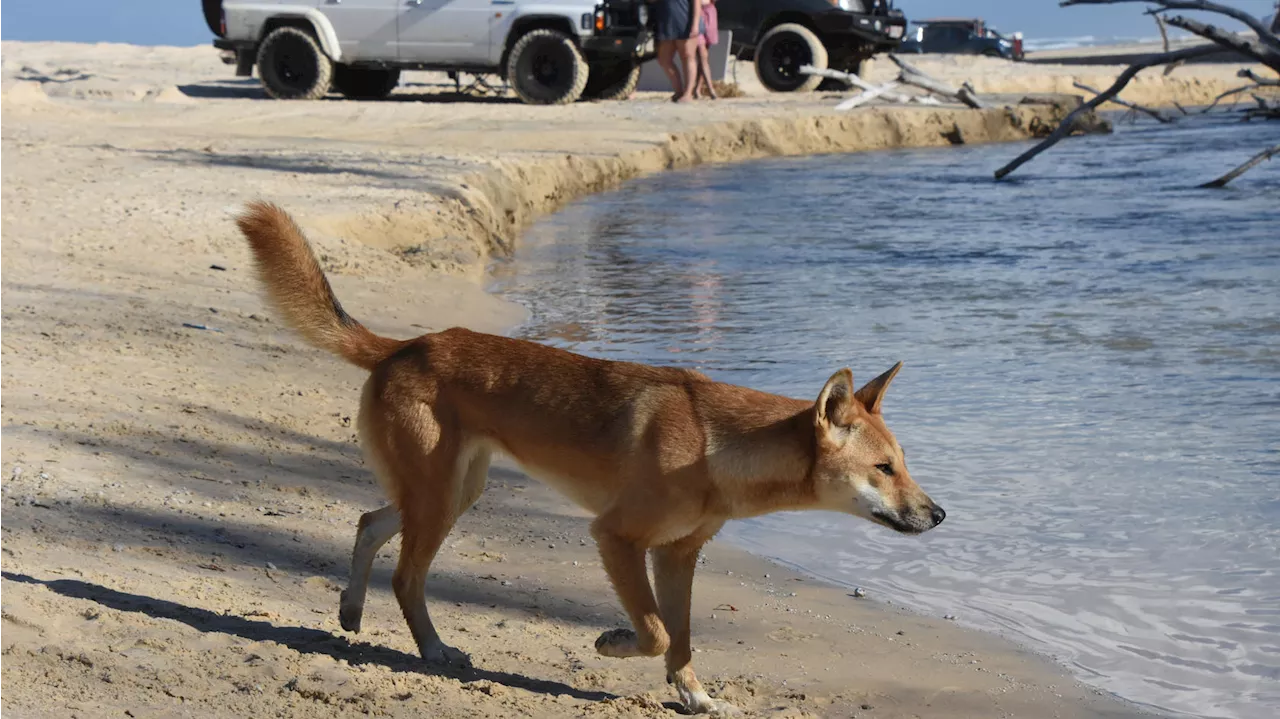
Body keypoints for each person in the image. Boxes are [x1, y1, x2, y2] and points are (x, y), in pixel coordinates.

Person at [654, 0, 702, 102]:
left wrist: (695, 25)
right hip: (667, 20)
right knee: (664, 59)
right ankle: (679, 91)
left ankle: (688, 93)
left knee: (687, 55)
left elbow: (697, 3)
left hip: (685, 19)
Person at [692, 0, 719, 100]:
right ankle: (711, 90)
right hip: (697, 12)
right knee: (702, 54)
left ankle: (697, 89)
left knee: (703, 56)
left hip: (709, 10)